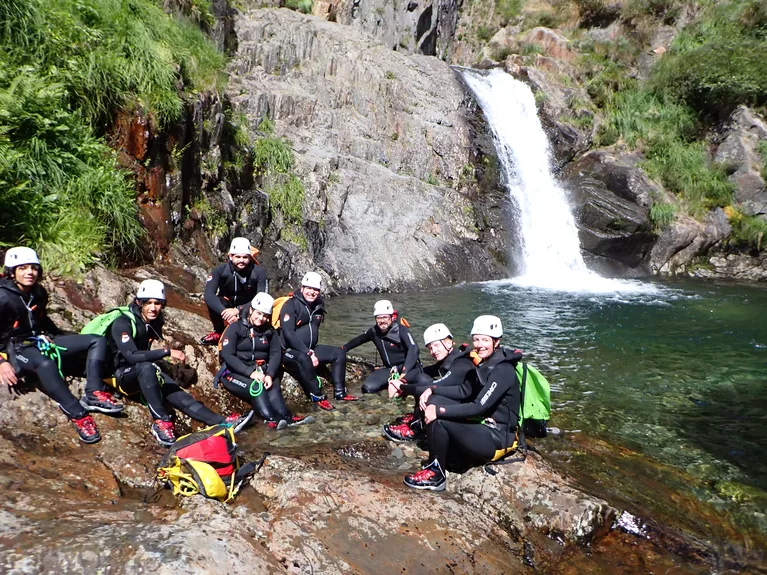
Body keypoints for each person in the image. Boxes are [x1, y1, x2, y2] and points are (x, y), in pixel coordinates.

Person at [106, 279, 252, 446]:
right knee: (147, 368)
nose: (153, 308)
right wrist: (167, 352)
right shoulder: (123, 322)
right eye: (149, 303)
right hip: (120, 375)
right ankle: (161, 423)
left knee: (180, 395)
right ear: (140, 303)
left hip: (143, 372)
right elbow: (131, 356)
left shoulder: (154, 322)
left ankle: (223, 423)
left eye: (158, 303)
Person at [0, 247, 122, 444]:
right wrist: (1, 362)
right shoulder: (3, 297)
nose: (29, 272)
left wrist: (54, 337)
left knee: (95, 340)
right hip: (17, 348)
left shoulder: (38, 292)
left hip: (39, 339)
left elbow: (41, 319)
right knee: (45, 364)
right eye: (22, 268)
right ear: (12, 272)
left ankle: (92, 393)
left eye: (33, 268)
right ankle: (78, 413)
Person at [403, 315, 522, 492]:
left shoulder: (503, 370)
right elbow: (464, 391)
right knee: (432, 401)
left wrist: (440, 411)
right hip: (482, 426)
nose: (480, 344)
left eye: (485, 340)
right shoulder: (485, 363)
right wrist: (432, 390)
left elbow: (478, 407)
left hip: (498, 436)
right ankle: (445, 453)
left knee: (440, 418)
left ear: (496, 341)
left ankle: (436, 475)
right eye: (476, 339)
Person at [218, 292, 314, 429]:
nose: (261, 318)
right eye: (258, 313)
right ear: (251, 310)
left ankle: (287, 417)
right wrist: (251, 373)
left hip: (261, 370)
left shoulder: (270, 331)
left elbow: (275, 354)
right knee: (257, 388)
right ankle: (271, 419)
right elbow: (228, 356)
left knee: (273, 387)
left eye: (265, 316)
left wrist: (269, 374)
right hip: (233, 373)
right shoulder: (235, 328)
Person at [382, 323, 475, 442]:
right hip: (454, 402)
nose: (433, 351)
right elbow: (419, 371)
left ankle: (416, 430)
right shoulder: (449, 359)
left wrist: (401, 387)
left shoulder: (461, 363)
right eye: (430, 348)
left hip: (464, 413)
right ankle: (417, 418)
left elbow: (433, 387)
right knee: (421, 378)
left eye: (436, 345)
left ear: (448, 342)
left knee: (426, 387)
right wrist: (401, 380)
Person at [281, 271, 357, 411]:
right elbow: (288, 333)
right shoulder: (290, 305)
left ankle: (340, 392)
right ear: (302, 288)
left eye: (315, 289)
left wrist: (311, 351)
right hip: (289, 352)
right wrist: (307, 352)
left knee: (339, 353)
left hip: (310, 349)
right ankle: (317, 396)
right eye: (309, 288)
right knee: (304, 359)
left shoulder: (318, 305)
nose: (312, 292)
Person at [342, 300, 422, 394]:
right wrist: (343, 349)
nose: (382, 321)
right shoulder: (374, 331)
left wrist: (404, 373)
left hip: (409, 369)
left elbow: (414, 349)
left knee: (411, 390)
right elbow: (360, 339)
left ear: (392, 317)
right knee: (367, 388)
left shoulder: (401, 330)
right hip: (390, 369)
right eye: (379, 318)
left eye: (385, 317)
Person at [200, 237, 267, 345]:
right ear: (231, 256)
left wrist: (237, 310)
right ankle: (218, 332)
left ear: (250, 257)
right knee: (217, 301)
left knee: (260, 308)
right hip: (227, 306)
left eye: (245, 257)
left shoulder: (258, 272)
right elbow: (208, 294)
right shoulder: (221, 271)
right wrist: (225, 313)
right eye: (238, 257)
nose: (241, 260)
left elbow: (262, 298)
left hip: (248, 307)